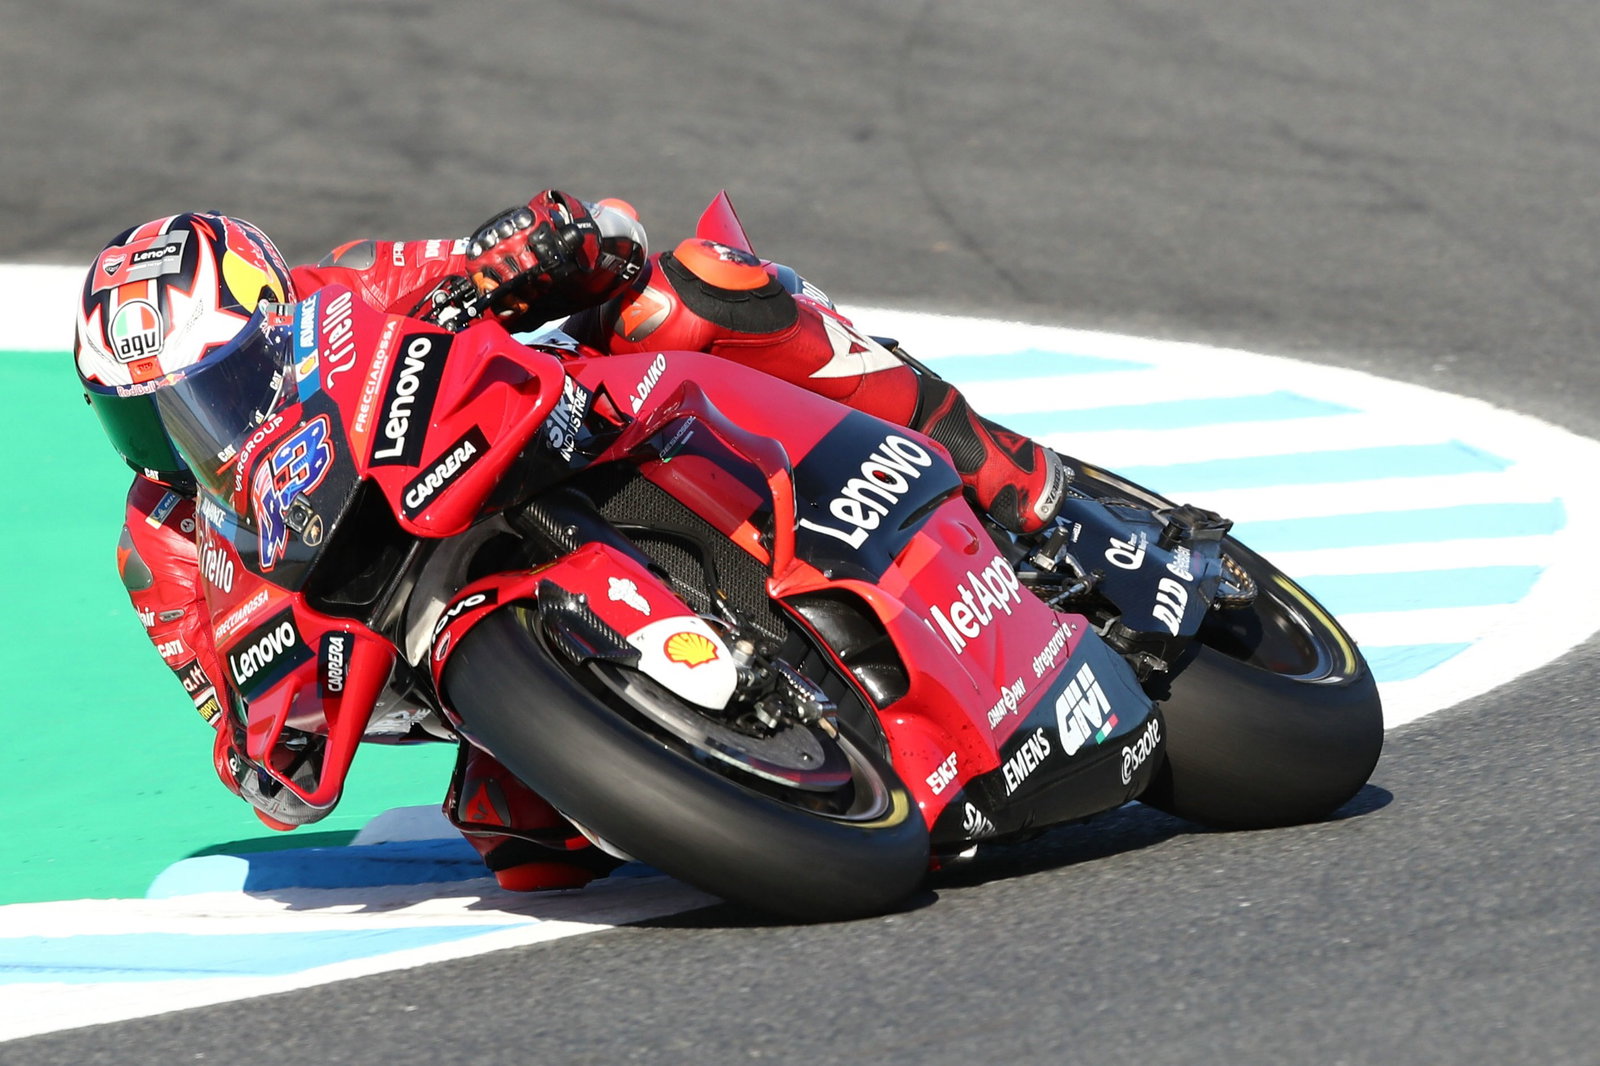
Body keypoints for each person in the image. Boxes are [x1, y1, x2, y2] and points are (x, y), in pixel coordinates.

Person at [74, 192, 1068, 891]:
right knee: (527, 853)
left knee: (690, 291)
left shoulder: (348, 290)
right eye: (141, 419)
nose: (182, 437)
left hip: (544, 440)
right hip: (449, 651)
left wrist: (542, 246)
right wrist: (279, 736)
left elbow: (548, 248)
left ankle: (1002, 466)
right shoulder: (158, 547)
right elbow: (244, 732)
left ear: (271, 319)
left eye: (205, 392)